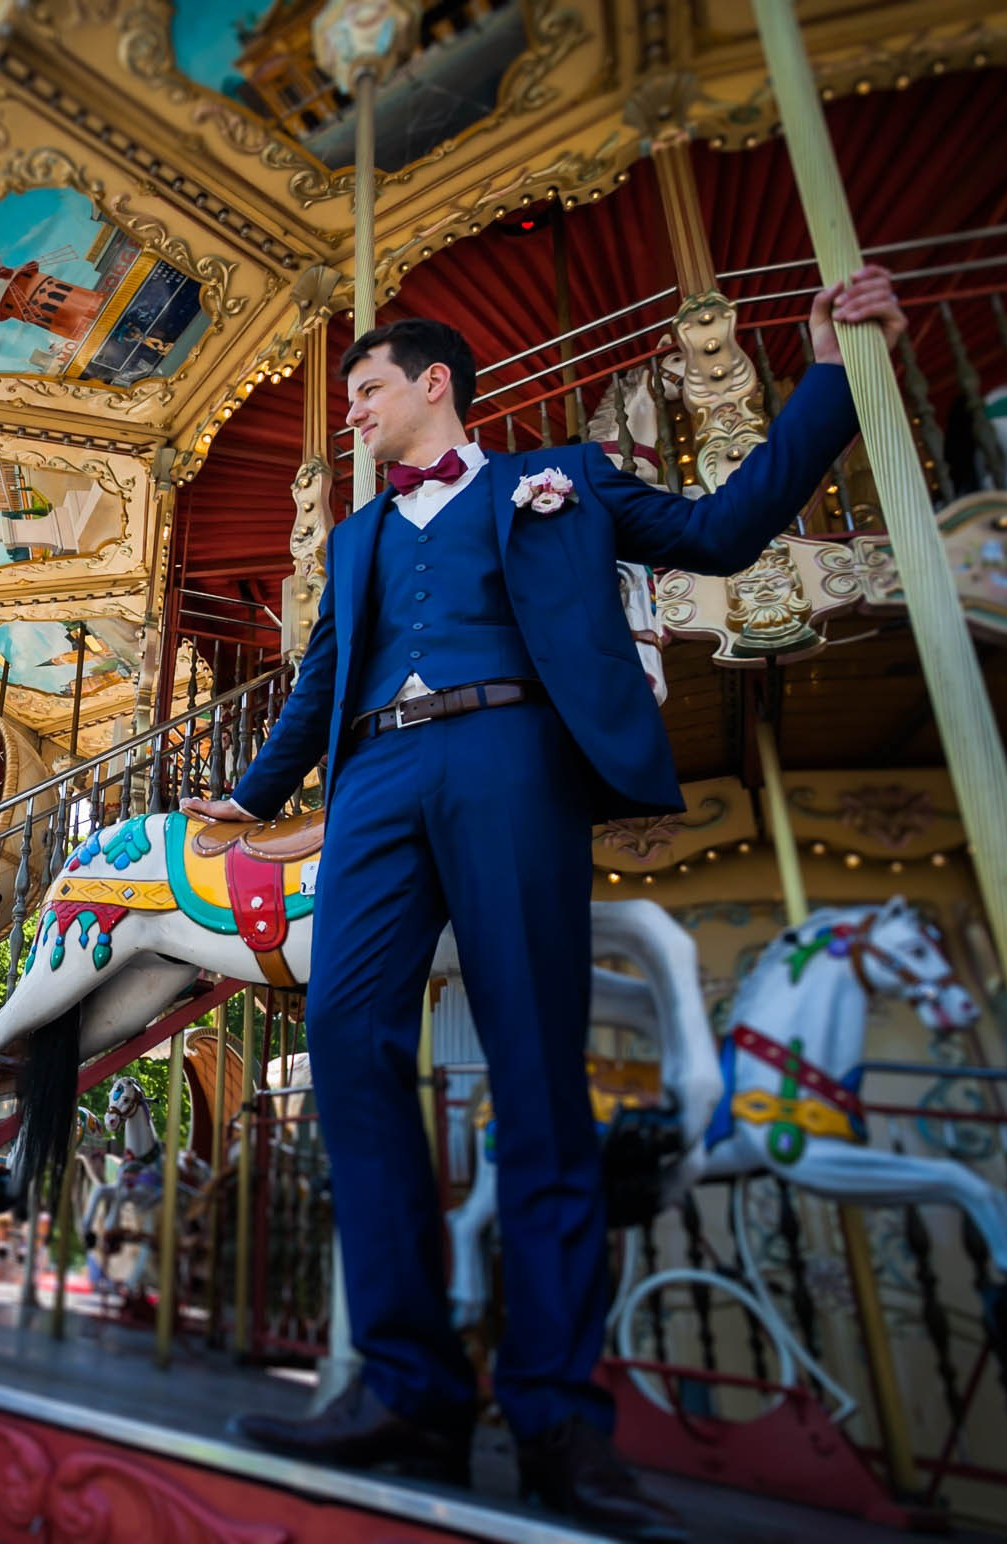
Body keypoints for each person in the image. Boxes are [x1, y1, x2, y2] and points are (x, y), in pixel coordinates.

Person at [189, 272, 908, 1540]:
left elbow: (723, 530)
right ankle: (407, 1381)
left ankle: (557, 1413)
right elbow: (318, 681)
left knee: (533, 1068)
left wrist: (835, 375)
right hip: (376, 779)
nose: (349, 412)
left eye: (366, 388)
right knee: (348, 1042)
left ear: (433, 385)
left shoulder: (559, 478)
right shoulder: (356, 538)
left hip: (510, 757)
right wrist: (252, 796)